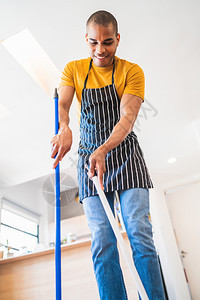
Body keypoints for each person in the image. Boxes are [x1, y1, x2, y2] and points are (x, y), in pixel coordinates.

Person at [51, 10, 166, 300]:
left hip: (126, 157)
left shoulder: (131, 71)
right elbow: (63, 104)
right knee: (103, 240)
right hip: (89, 163)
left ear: (117, 39)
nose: (100, 50)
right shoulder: (73, 69)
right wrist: (64, 127)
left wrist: (104, 149)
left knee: (139, 232)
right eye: (93, 43)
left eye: (107, 42)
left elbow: (127, 119)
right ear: (85, 40)